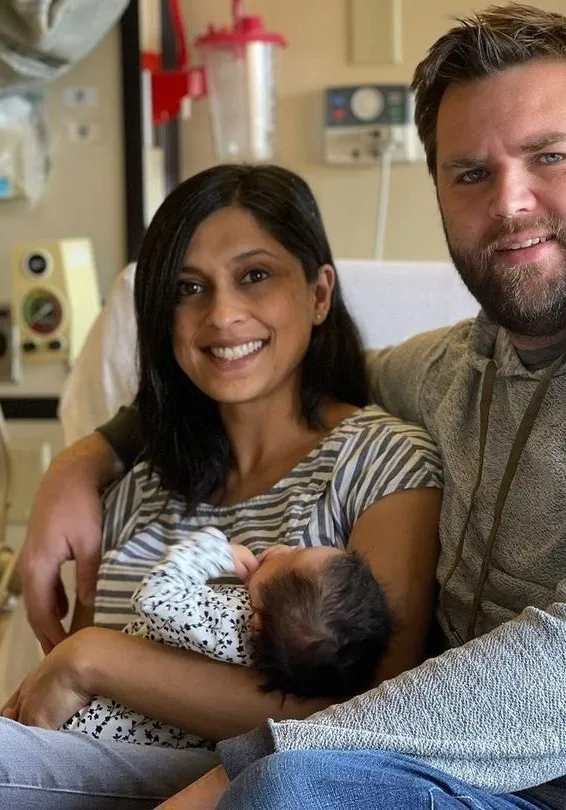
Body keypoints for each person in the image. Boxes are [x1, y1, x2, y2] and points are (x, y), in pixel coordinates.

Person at [11, 3, 566, 809]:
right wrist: (86, 459)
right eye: (471, 174)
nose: (511, 202)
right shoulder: (451, 372)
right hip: (458, 784)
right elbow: (264, 367)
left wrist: (248, 764)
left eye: (550, 157)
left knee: (294, 791)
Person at [0, 162, 442, 807]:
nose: (222, 314)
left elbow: (367, 718)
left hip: (246, 783)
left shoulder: (385, 464)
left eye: (255, 276)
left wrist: (95, 659)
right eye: (187, 288)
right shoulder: (135, 486)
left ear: (319, 293)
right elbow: (55, 701)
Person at [61, 527, 393, 748]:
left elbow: (154, 598)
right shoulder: (281, 673)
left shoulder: (230, 616)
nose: (287, 547)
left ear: (258, 624)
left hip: (92, 717)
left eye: (292, 557)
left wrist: (213, 549)